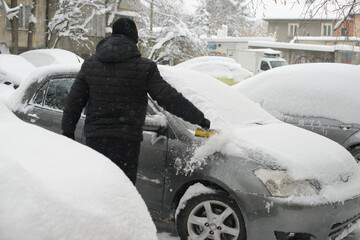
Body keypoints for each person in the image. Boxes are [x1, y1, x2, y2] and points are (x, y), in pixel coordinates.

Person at [61, 18, 210, 185]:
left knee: (98, 187)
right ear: (134, 39)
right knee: (123, 190)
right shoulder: (144, 67)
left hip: (96, 138)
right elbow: (168, 97)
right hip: (126, 142)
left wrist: (68, 132)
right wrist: (199, 118)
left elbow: (74, 101)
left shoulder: (90, 65)